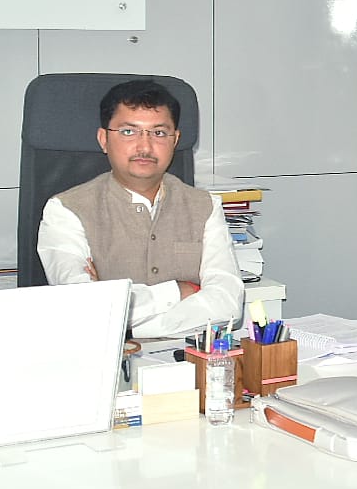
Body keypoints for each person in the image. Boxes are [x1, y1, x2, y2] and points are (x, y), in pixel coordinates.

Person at [37, 79, 243, 339]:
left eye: (159, 133)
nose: (145, 147)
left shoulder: (205, 206)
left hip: (189, 356)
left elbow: (228, 304)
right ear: (103, 139)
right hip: (107, 358)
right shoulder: (66, 210)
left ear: (175, 140)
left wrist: (126, 323)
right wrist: (178, 291)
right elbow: (85, 307)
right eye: (128, 132)